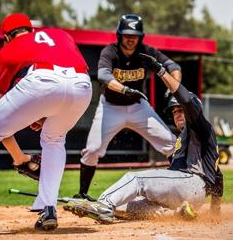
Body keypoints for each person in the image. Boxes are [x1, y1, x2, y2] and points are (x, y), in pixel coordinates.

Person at [0, 13, 92, 238]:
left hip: (43, 79)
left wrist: (19, 157)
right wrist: (39, 114)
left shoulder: (9, 49)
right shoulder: (60, 35)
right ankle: (49, 209)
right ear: (32, 30)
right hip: (83, 85)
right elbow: (63, 84)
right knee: (54, 139)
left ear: (8, 37)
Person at [64, 53, 223, 223]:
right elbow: (218, 176)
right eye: (174, 111)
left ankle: (103, 204)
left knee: (135, 179)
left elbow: (187, 100)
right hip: (188, 194)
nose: (177, 114)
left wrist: (161, 71)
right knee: (127, 207)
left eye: (180, 110)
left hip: (190, 183)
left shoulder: (199, 125)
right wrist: (215, 210)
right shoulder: (188, 138)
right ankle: (178, 214)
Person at [74, 14, 182, 200]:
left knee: (171, 143)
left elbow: (174, 66)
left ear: (141, 36)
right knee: (92, 150)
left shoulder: (146, 51)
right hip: (110, 106)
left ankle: (182, 187)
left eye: (135, 35)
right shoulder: (110, 51)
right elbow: (103, 76)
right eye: (126, 34)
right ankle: (83, 193)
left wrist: (175, 88)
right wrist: (124, 89)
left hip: (138, 106)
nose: (130, 39)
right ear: (119, 34)